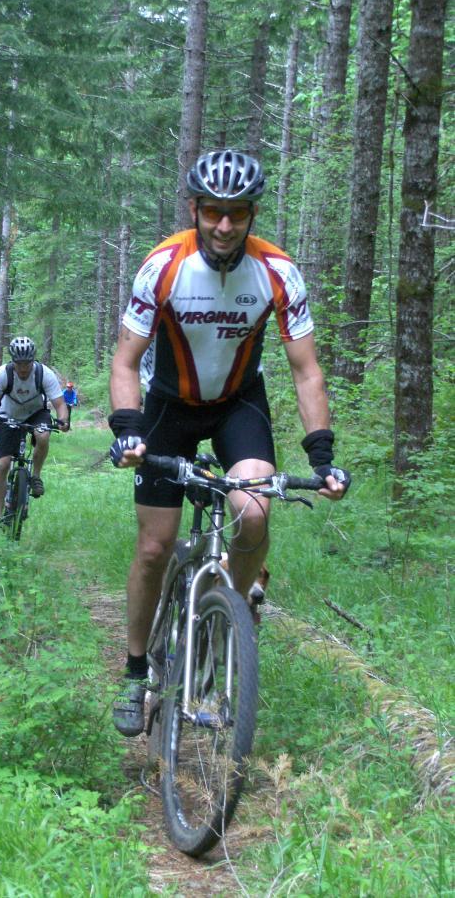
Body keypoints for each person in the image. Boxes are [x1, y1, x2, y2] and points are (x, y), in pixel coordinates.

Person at [108, 148, 351, 737]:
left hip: (239, 406)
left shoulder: (277, 272)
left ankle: (228, 617)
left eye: (236, 214)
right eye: (213, 211)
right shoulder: (163, 265)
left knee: (251, 513)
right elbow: (124, 361)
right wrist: (129, 429)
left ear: (251, 214)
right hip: (168, 407)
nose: (223, 225)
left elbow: (306, 370)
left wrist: (322, 455)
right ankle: (137, 670)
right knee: (153, 547)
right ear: (195, 208)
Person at [0, 336, 70, 521]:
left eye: (27, 363)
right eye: (18, 363)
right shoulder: (3, 373)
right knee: (2, 465)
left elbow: (60, 405)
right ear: (13, 361)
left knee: (43, 436)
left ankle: (35, 476)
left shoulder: (44, 374)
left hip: (36, 413)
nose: (23, 368)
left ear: (32, 360)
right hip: (8, 414)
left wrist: (63, 420)